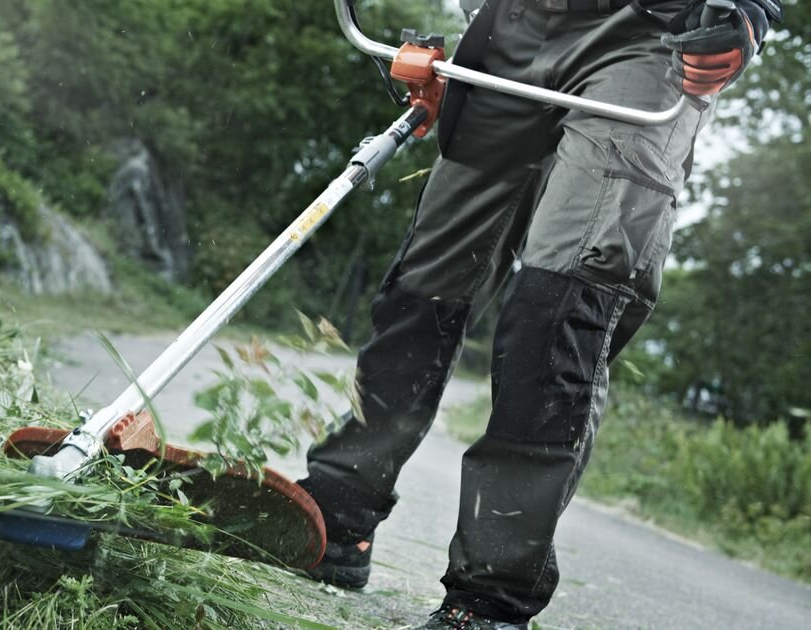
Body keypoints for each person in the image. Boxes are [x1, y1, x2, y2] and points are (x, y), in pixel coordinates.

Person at [296, 0, 783, 627]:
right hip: (509, 23)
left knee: (556, 314)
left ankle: (489, 597)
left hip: (644, 37)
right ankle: (336, 516)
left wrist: (749, 10)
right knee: (423, 291)